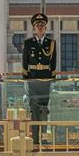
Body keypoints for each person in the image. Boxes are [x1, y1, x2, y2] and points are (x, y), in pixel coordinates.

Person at [22, 12, 56, 146]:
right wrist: (26, 79)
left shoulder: (51, 43)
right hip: (33, 80)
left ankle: (43, 139)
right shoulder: (28, 43)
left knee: (44, 110)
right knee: (34, 110)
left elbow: (53, 63)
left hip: (45, 80)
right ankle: (35, 140)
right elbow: (25, 63)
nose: (40, 27)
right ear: (34, 28)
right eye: (37, 25)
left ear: (45, 28)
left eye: (42, 25)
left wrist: (52, 78)